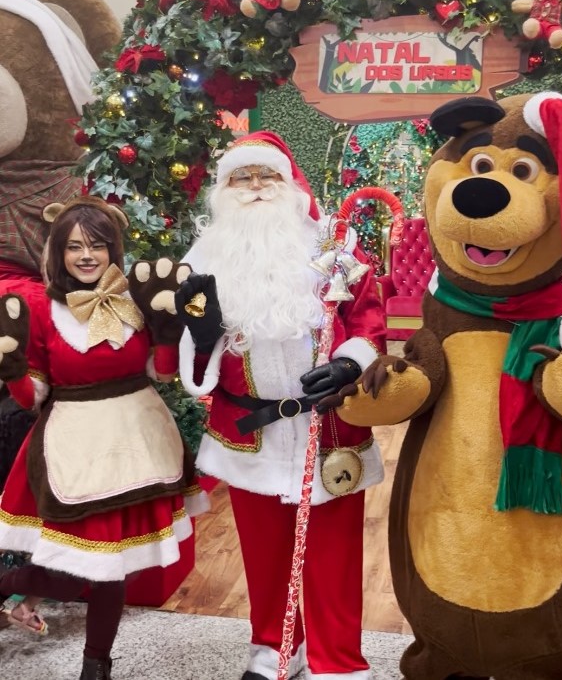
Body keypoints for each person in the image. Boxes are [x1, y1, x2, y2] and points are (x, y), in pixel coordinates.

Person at [175, 131, 387, 680]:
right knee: (265, 555)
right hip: (249, 430)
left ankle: (338, 662)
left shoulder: (332, 242)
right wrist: (200, 340)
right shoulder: (204, 257)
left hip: (329, 425)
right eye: (240, 178)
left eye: (265, 176)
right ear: (224, 190)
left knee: (334, 555)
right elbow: (197, 370)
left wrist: (348, 363)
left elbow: (369, 318)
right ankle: (275, 649)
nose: (254, 189)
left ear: (288, 181)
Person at [0, 195, 208, 680]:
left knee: (115, 566)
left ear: (115, 249)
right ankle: (10, 587)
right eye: (74, 247)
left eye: (97, 245)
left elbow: (160, 372)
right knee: (76, 572)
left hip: (137, 443)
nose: (87, 255)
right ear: (59, 253)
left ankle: (97, 667)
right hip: (75, 447)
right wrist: (11, 372)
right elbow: (35, 396)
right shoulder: (40, 310)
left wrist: (167, 331)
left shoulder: (138, 299)